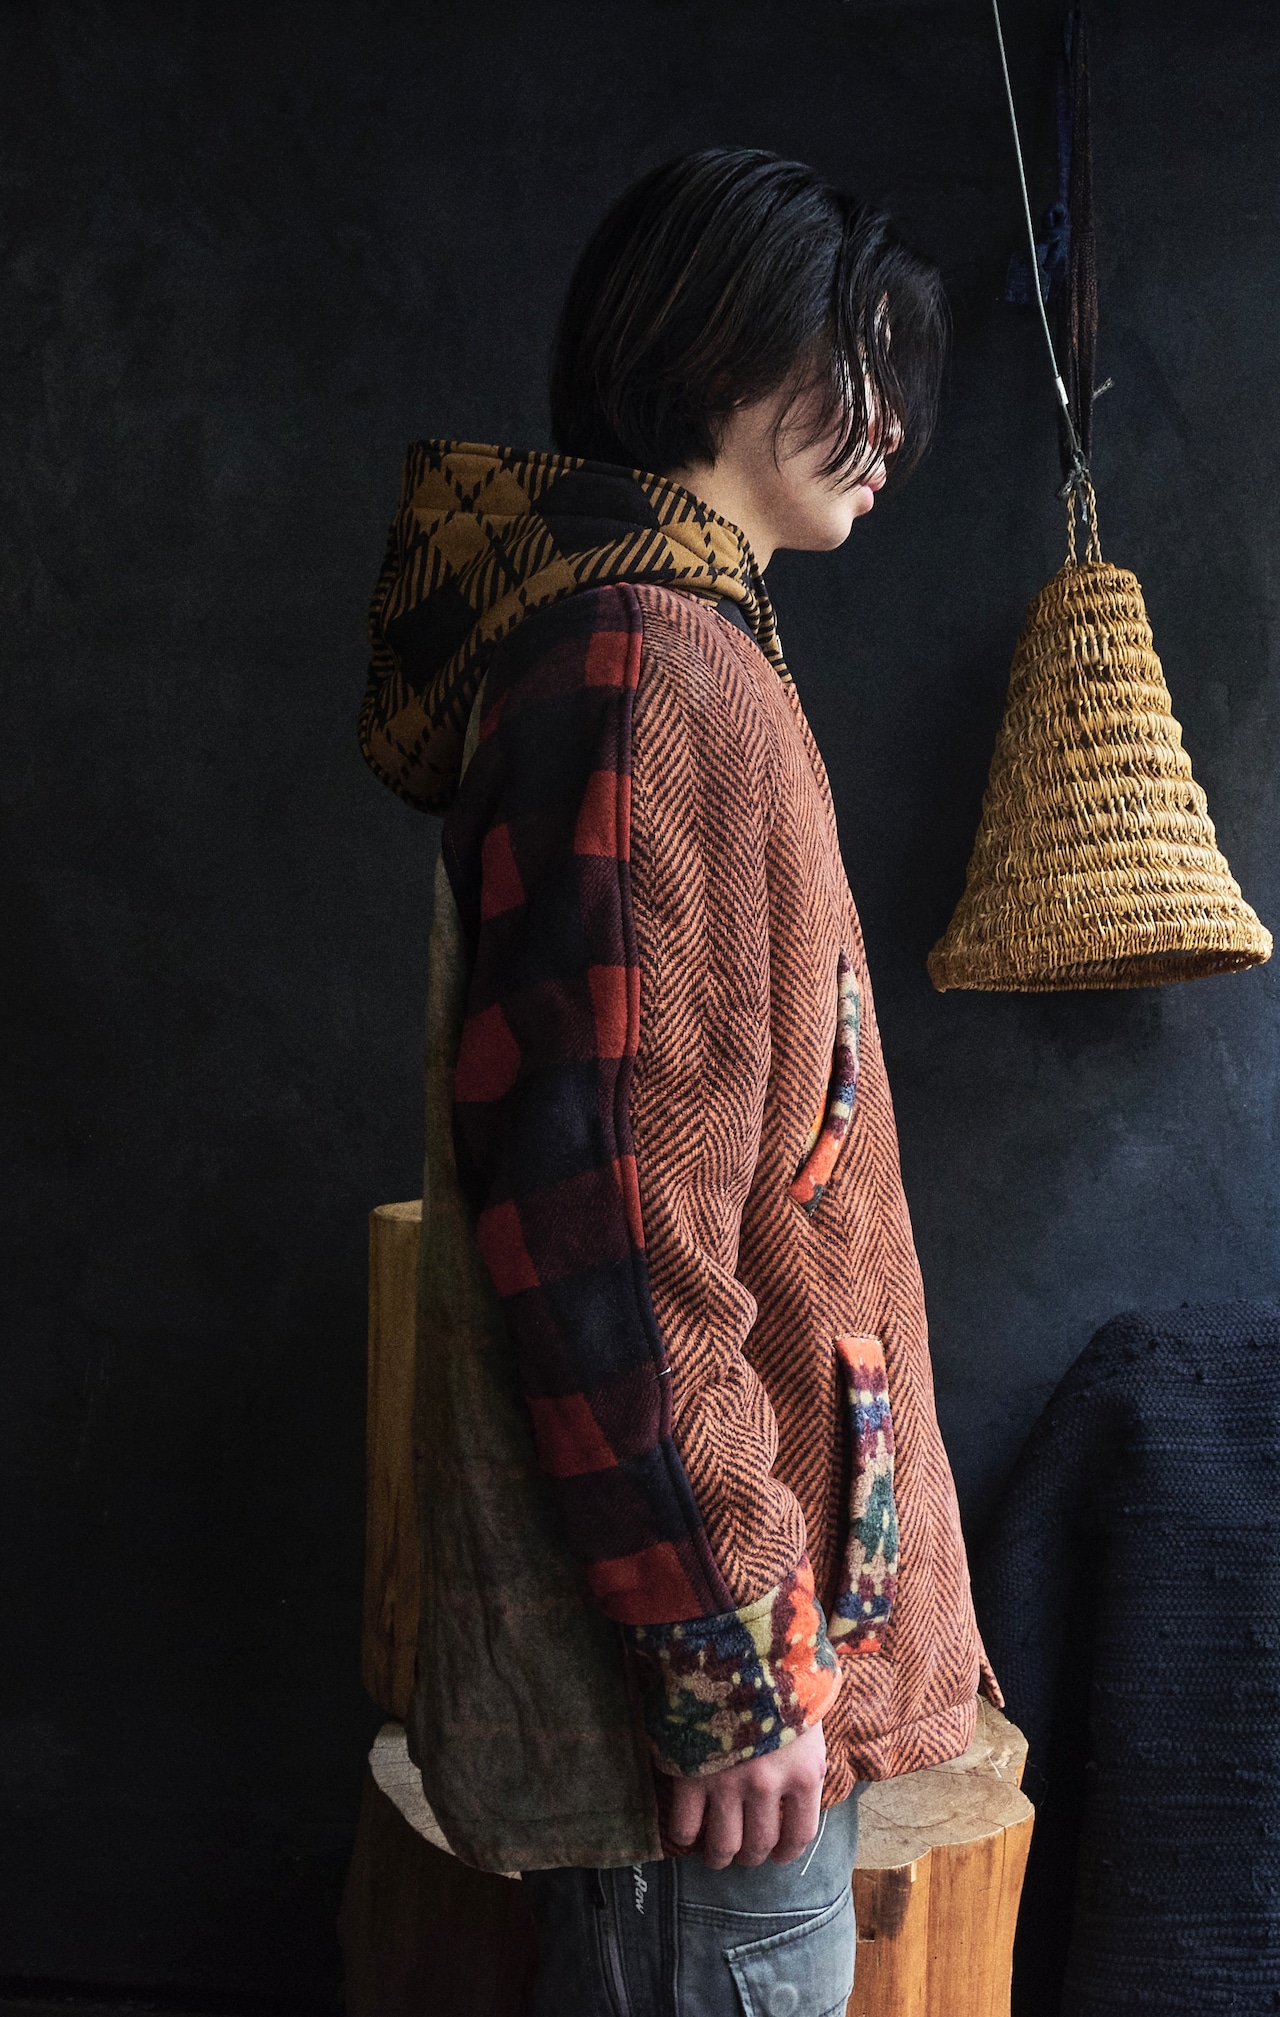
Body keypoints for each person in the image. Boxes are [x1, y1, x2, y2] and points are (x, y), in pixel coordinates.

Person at [360, 146, 997, 2017]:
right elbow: (613, 1226)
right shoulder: (661, 665)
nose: (890, 425)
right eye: (854, 359)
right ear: (718, 343)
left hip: (742, 1662)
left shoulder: (662, 647)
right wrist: (726, 1659)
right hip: (715, 1722)